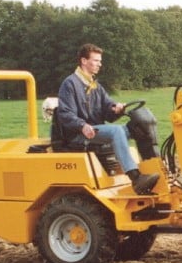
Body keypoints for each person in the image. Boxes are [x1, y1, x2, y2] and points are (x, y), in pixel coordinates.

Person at [57, 43, 159, 194]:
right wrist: (82, 125)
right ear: (84, 61)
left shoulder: (95, 86)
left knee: (138, 126)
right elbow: (65, 113)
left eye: (100, 61)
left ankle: (154, 167)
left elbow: (108, 112)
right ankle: (135, 177)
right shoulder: (70, 84)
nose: (100, 64)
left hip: (97, 130)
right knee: (116, 132)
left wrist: (117, 109)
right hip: (78, 134)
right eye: (96, 60)